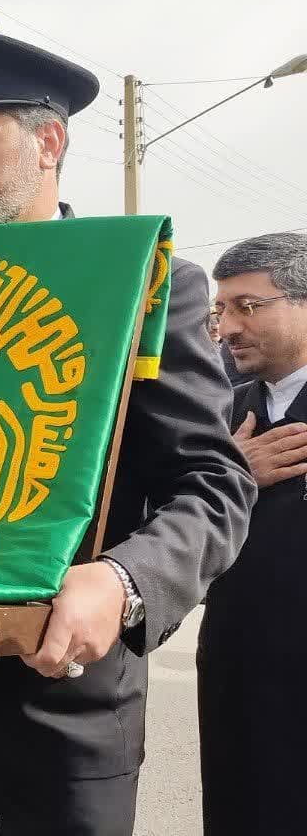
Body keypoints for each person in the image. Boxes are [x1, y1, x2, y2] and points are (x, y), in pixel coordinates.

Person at [0, 30, 256, 835]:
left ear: (50, 141)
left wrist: (122, 580)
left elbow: (215, 486)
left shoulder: (141, 286)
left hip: (67, 715)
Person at [200, 233, 307, 835]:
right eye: (222, 309)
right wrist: (230, 473)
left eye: (249, 305)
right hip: (236, 673)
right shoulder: (218, 415)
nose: (229, 326)